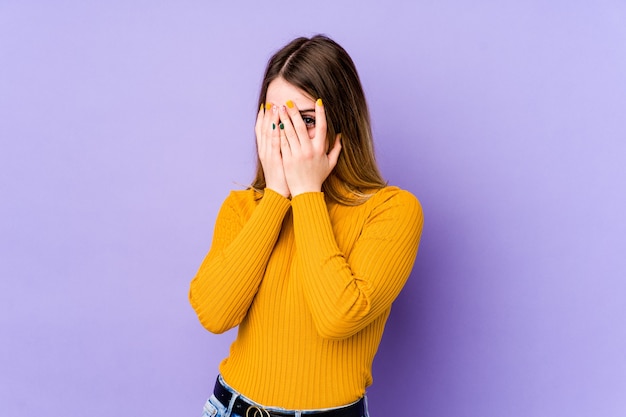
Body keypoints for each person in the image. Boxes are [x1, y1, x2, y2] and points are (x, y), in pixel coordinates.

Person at [189, 34, 423, 417]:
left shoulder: (392, 210)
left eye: (307, 120)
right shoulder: (243, 207)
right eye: (277, 119)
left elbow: (338, 316)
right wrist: (277, 195)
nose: (290, 137)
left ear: (342, 122)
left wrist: (307, 193)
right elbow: (214, 314)